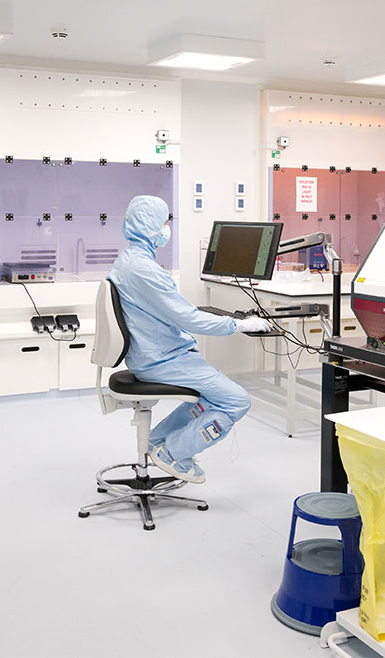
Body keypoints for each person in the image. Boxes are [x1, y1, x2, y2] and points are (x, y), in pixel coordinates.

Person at [107, 195, 270, 483]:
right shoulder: (143, 270)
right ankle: (172, 453)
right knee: (236, 401)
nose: (166, 228)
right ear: (151, 226)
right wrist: (239, 324)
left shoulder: (129, 261)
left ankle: (158, 440)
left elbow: (177, 313)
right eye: (164, 222)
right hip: (163, 359)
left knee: (210, 397)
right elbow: (188, 318)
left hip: (153, 353)